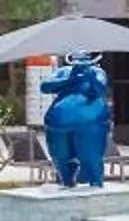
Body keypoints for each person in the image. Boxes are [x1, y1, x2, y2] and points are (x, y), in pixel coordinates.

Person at [38, 54, 113, 190]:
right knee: (60, 155)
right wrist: (69, 79)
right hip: (58, 123)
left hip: (91, 121)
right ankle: (66, 181)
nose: (80, 59)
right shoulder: (63, 71)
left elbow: (100, 89)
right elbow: (45, 87)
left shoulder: (97, 72)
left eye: (83, 56)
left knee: (91, 155)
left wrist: (89, 76)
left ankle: (95, 183)